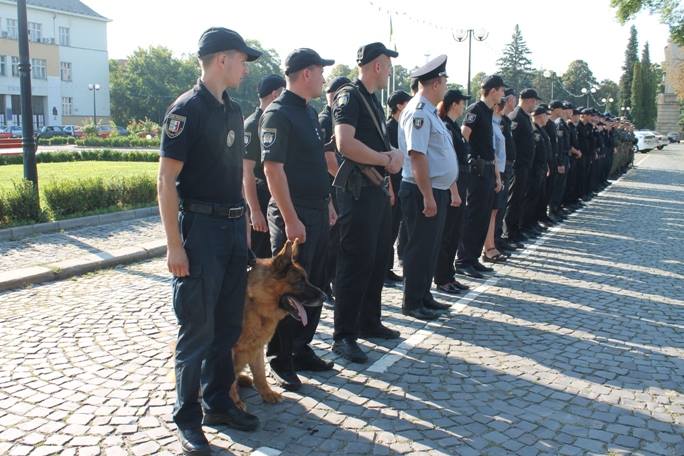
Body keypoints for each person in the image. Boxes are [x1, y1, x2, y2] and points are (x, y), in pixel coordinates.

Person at [158, 27, 261, 454]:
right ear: (222, 60)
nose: (245, 67)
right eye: (242, 59)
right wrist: (174, 245)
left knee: (227, 326)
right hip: (199, 232)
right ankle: (188, 418)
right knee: (196, 330)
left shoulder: (233, 110)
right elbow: (166, 180)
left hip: (232, 230)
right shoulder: (187, 110)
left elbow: (234, 176)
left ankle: (219, 402)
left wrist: (243, 230)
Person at [260, 48, 337, 389]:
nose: (324, 78)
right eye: (321, 72)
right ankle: (281, 356)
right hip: (294, 214)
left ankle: (302, 348)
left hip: (317, 210)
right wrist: (290, 220)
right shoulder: (278, 113)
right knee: (289, 288)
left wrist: (329, 203)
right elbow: (272, 169)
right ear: (307, 73)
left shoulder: (308, 113)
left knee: (314, 282)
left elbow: (318, 165)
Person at [332, 42, 404, 363]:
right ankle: (344, 335)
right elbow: (344, 143)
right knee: (354, 264)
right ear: (377, 65)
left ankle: (369, 321)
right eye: (388, 64)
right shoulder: (349, 95)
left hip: (376, 191)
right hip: (357, 194)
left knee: (376, 260)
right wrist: (384, 159)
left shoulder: (371, 100)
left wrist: (387, 178)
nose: (390, 70)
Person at [399, 55, 460, 321]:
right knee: (419, 248)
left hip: (436, 190)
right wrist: (427, 195)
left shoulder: (430, 111)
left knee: (431, 247)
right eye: (444, 81)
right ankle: (412, 302)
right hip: (421, 190)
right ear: (436, 82)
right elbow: (417, 155)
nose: (446, 86)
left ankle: (424, 296)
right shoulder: (419, 112)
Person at [454, 74, 507, 279]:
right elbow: (464, 135)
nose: (502, 94)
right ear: (493, 90)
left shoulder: (488, 112)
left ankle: (474, 258)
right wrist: (467, 161)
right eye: (501, 90)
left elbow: (490, 147)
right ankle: (464, 260)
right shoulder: (475, 110)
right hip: (476, 171)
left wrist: (496, 174)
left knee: (483, 216)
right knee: (473, 216)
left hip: (488, 171)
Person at [433, 89, 471, 294]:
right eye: (462, 103)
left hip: (460, 182)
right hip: (451, 186)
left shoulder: (453, 126)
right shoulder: (446, 125)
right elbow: (448, 160)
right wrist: (454, 190)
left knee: (454, 233)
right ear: (454, 104)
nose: (464, 106)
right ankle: (442, 277)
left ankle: (449, 274)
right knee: (447, 235)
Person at [243, 74, 286, 258]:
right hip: (260, 196)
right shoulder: (253, 124)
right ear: (275, 94)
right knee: (261, 259)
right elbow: (246, 172)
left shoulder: (274, 119)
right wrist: (255, 211)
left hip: (273, 195)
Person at [319, 76, 351, 304]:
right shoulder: (324, 119)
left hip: (340, 186)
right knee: (330, 242)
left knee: (338, 240)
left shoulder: (337, 117)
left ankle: (334, 283)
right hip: (333, 187)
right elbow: (329, 160)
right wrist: (348, 181)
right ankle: (325, 285)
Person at [503, 88, 540, 244]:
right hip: (518, 167)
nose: (536, 105)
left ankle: (517, 228)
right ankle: (510, 232)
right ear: (528, 100)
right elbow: (512, 143)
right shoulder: (517, 117)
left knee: (520, 199)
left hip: (525, 166)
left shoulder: (525, 117)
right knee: (514, 199)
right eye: (534, 101)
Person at [386, 90, 412, 283]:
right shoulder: (390, 127)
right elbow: (387, 160)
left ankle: (388, 267)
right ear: (400, 106)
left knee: (394, 228)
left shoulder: (401, 126)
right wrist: (390, 189)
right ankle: (384, 269)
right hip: (391, 184)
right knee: (388, 229)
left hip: (401, 180)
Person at [482, 96, 507, 263]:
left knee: (495, 211)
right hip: (494, 171)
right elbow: (492, 153)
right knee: (490, 212)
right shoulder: (491, 124)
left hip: (500, 171)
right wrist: (497, 176)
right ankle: (488, 247)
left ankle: (491, 245)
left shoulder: (497, 124)